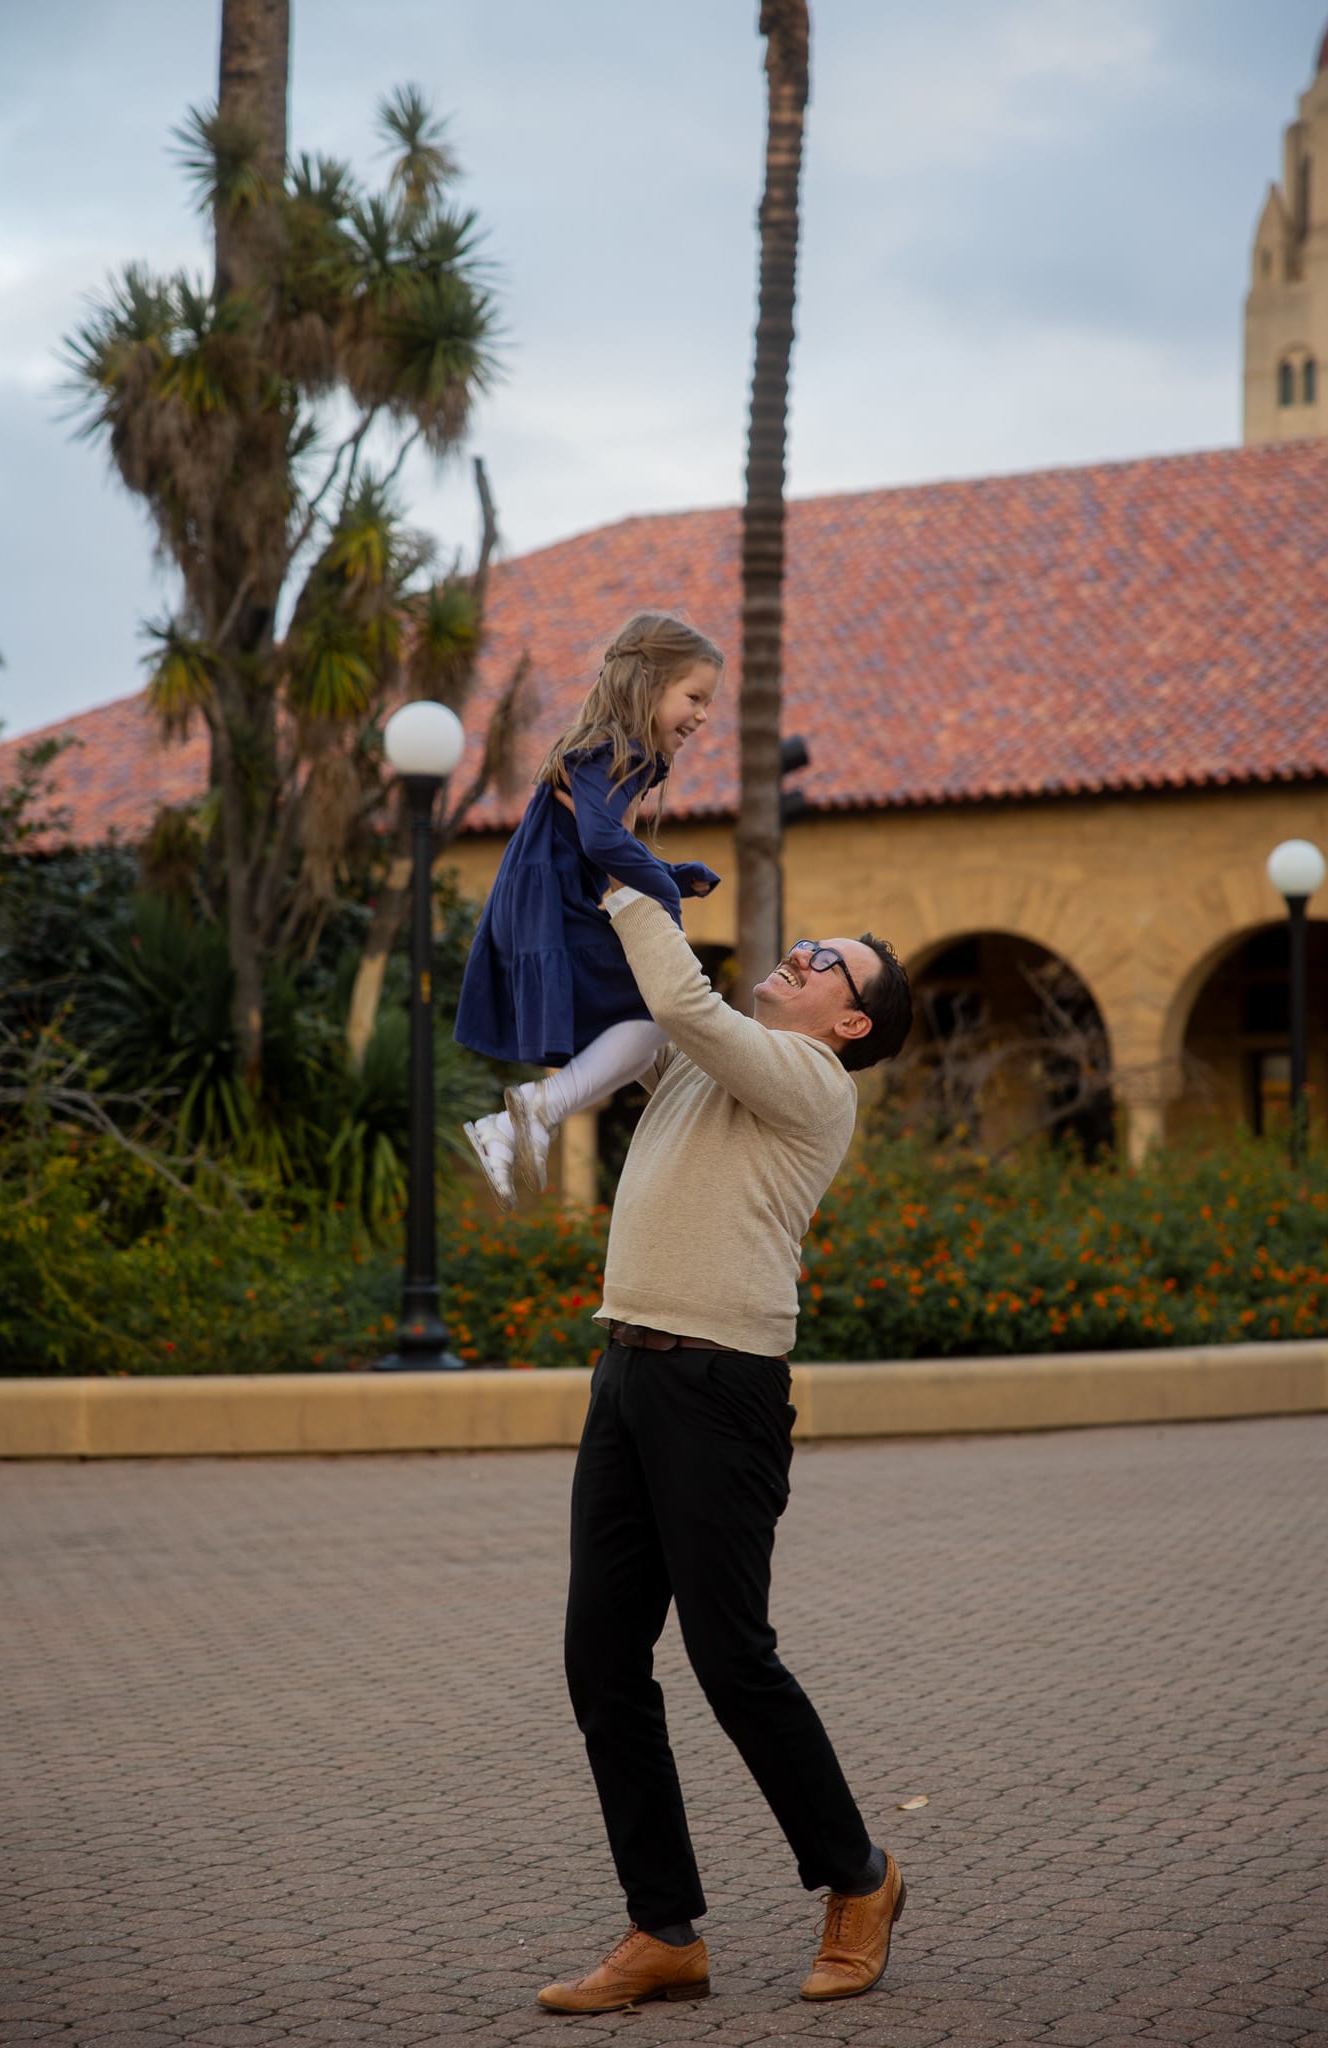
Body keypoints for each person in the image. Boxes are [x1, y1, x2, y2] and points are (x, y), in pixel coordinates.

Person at [535, 894, 914, 2016]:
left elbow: (679, 998)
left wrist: (630, 882)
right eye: (807, 943)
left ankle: (861, 1879)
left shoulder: (811, 1081)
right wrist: (576, 881)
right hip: (629, 1373)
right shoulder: (715, 1064)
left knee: (729, 1653)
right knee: (600, 1655)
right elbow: (639, 1011)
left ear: (850, 1024)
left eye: (827, 962)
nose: (798, 952)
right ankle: (663, 1931)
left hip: (723, 1386)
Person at [454, 611, 723, 1210]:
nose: (703, 715)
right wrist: (664, 887)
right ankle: (532, 1111)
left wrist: (671, 875)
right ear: (649, 685)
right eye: (694, 697)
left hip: (553, 902)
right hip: (549, 908)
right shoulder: (608, 751)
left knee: (651, 1024)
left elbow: (594, 847)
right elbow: (603, 844)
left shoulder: (618, 756)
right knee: (657, 1012)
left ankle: (527, 1120)